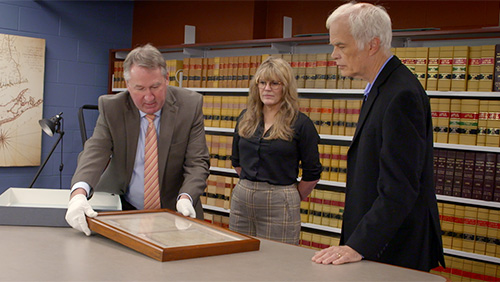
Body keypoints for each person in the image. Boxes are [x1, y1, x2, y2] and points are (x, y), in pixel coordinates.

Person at [311, 2, 445, 271]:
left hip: (394, 251)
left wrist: (358, 245)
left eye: (341, 46)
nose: (333, 55)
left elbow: (400, 188)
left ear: (371, 45)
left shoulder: (401, 95)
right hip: (378, 246)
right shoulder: (383, 86)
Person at [65, 44, 210, 236]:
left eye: (155, 87)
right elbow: (95, 151)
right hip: (124, 208)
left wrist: (186, 196)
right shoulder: (113, 108)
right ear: (127, 85)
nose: (149, 97)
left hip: (177, 211)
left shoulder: (189, 106)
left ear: (166, 79)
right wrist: (78, 194)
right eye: (139, 88)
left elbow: (197, 162)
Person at [230, 56, 322, 245]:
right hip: (242, 200)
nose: (267, 88)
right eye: (262, 83)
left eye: (274, 83)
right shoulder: (245, 118)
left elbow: (312, 173)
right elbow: (236, 161)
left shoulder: (301, 124)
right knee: (238, 258)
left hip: (280, 202)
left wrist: (290, 197)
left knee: (278, 262)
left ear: (286, 87)